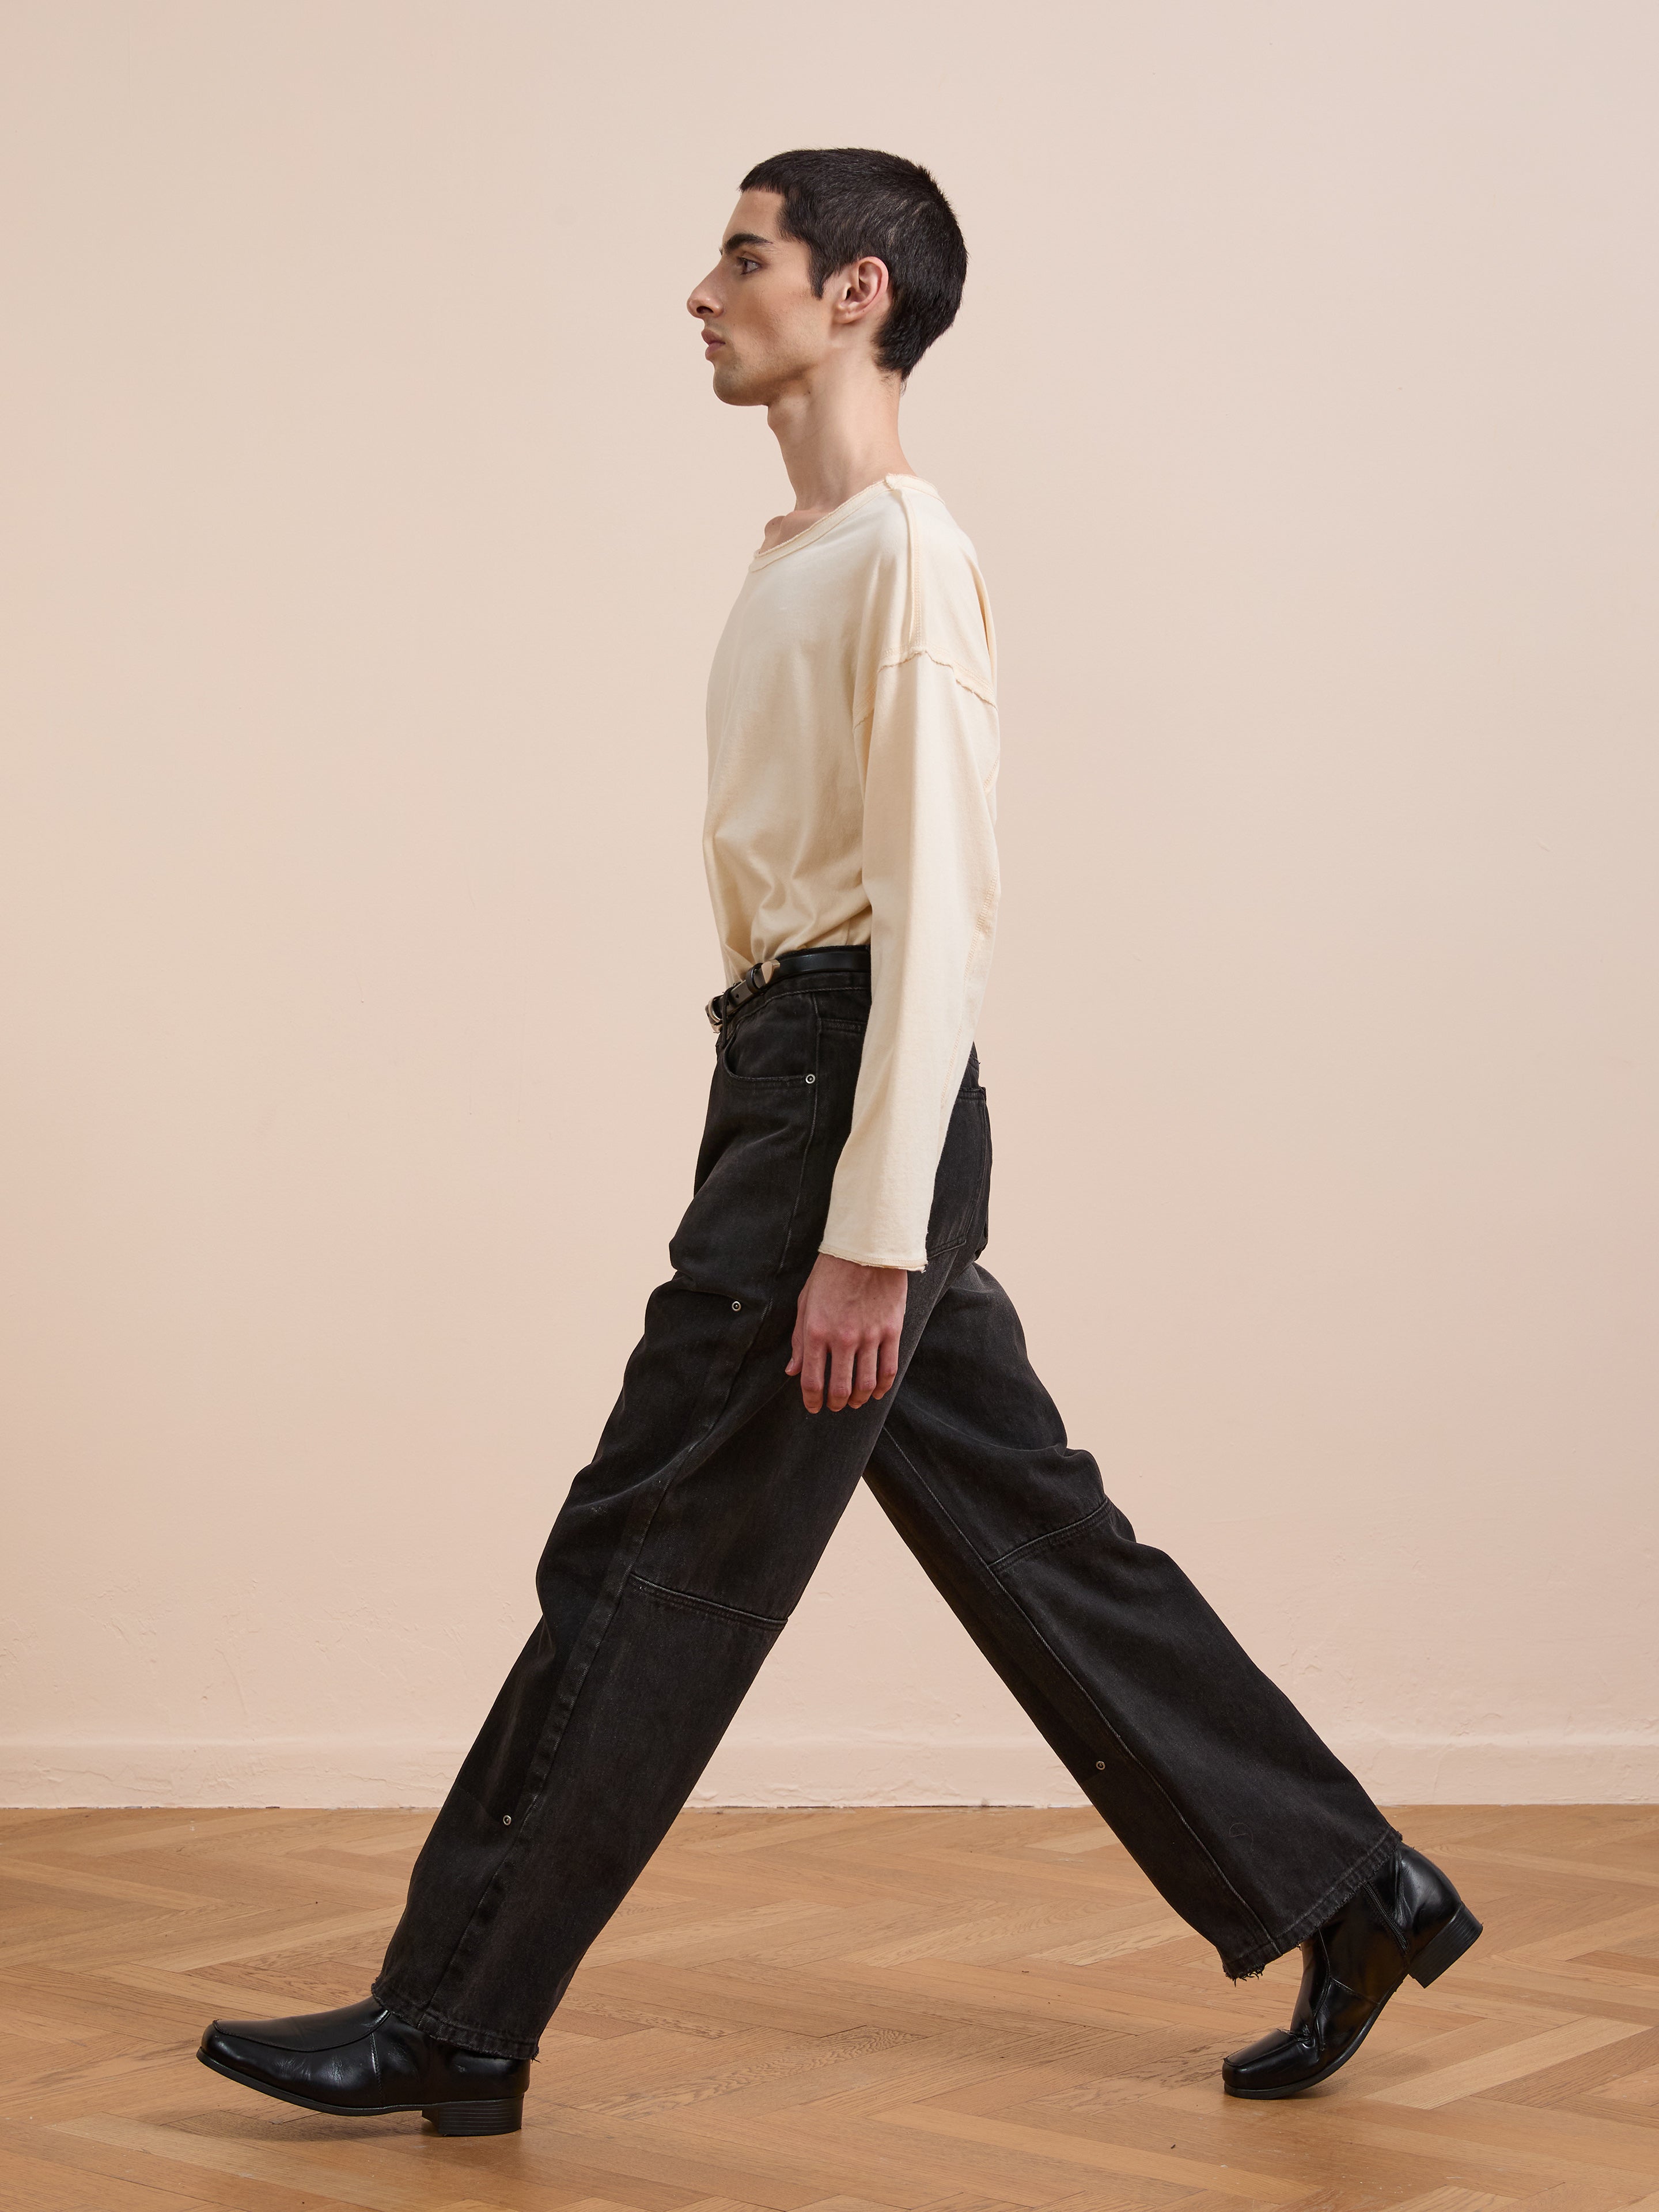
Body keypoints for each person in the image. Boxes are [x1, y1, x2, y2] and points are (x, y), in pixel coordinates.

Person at [197, 147, 1482, 2138]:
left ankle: (454, 2018)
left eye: (744, 256)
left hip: (845, 1099)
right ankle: (1350, 1885)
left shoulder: (903, 551)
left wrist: (871, 1230)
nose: (704, 293)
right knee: (1036, 1535)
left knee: (646, 1548)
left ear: (858, 292)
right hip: (804, 1087)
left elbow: (940, 909)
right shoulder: (803, 548)